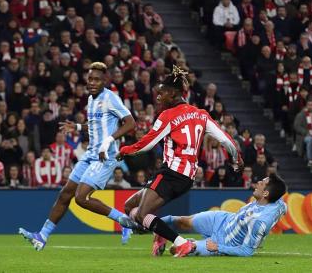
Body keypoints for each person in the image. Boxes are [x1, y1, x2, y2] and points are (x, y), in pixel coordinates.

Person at [118, 66, 241, 257]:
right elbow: (225, 139)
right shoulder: (201, 114)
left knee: (141, 215)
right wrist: (236, 158)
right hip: (187, 178)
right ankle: (157, 231)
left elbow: (146, 144)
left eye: (162, 93)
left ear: (173, 94)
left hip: (171, 173)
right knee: (129, 206)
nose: (158, 97)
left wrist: (124, 150)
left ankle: (182, 243)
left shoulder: (168, 116)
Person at [19, 62, 138, 251]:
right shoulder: (91, 100)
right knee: (65, 194)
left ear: (104, 81)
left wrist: (109, 140)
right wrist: (76, 127)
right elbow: (95, 125)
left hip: (105, 155)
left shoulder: (111, 98)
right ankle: (42, 235)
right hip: (91, 153)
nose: (92, 82)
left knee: (81, 198)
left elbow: (130, 123)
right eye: (90, 78)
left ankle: (122, 220)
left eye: (97, 79)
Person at [160, 174, 287, 257]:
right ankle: (151, 225)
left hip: (223, 242)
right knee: (183, 221)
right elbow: (283, 205)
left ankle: (192, 243)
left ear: (265, 193)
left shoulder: (259, 222)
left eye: (262, 182)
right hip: (223, 220)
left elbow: (247, 251)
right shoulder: (279, 204)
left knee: (177, 250)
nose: (258, 181)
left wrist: (218, 247)